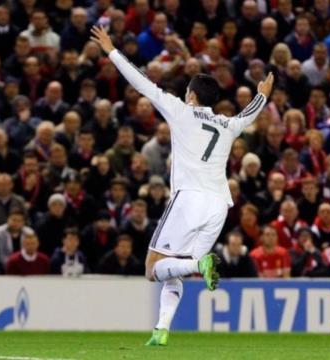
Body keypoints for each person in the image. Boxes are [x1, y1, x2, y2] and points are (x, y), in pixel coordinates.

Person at [91, 26, 274, 346]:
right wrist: (262, 94)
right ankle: (161, 330)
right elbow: (250, 114)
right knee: (172, 272)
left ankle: (199, 263)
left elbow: (141, 83)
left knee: (153, 269)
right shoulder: (228, 125)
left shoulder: (181, 111)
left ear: (191, 95)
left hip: (189, 200)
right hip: (219, 206)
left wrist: (111, 50)